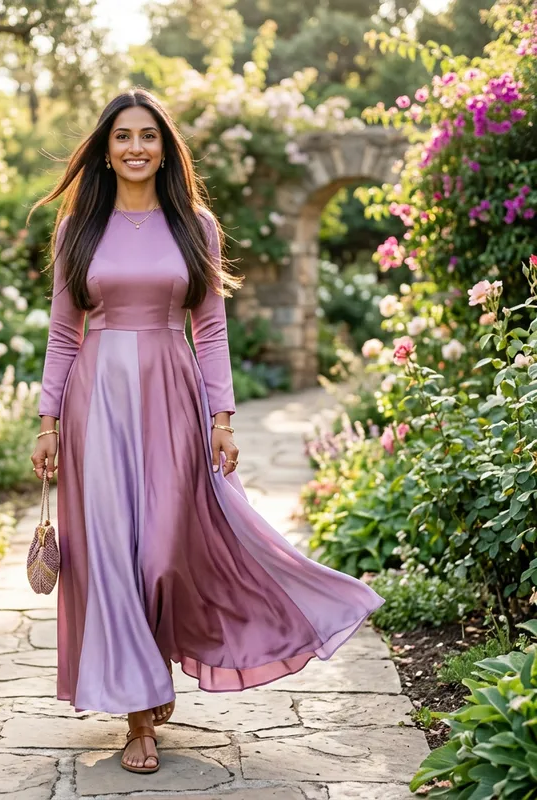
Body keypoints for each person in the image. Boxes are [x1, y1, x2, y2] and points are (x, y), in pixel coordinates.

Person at [28, 87, 384, 775]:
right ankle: (139, 715)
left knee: (164, 552)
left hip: (171, 394)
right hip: (96, 400)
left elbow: (211, 326)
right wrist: (47, 421)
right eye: (123, 136)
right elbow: (64, 332)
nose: (136, 147)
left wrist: (222, 416)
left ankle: (155, 666)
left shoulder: (195, 224)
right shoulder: (79, 229)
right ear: (105, 149)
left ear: (166, 150)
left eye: (149, 136)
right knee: (111, 557)